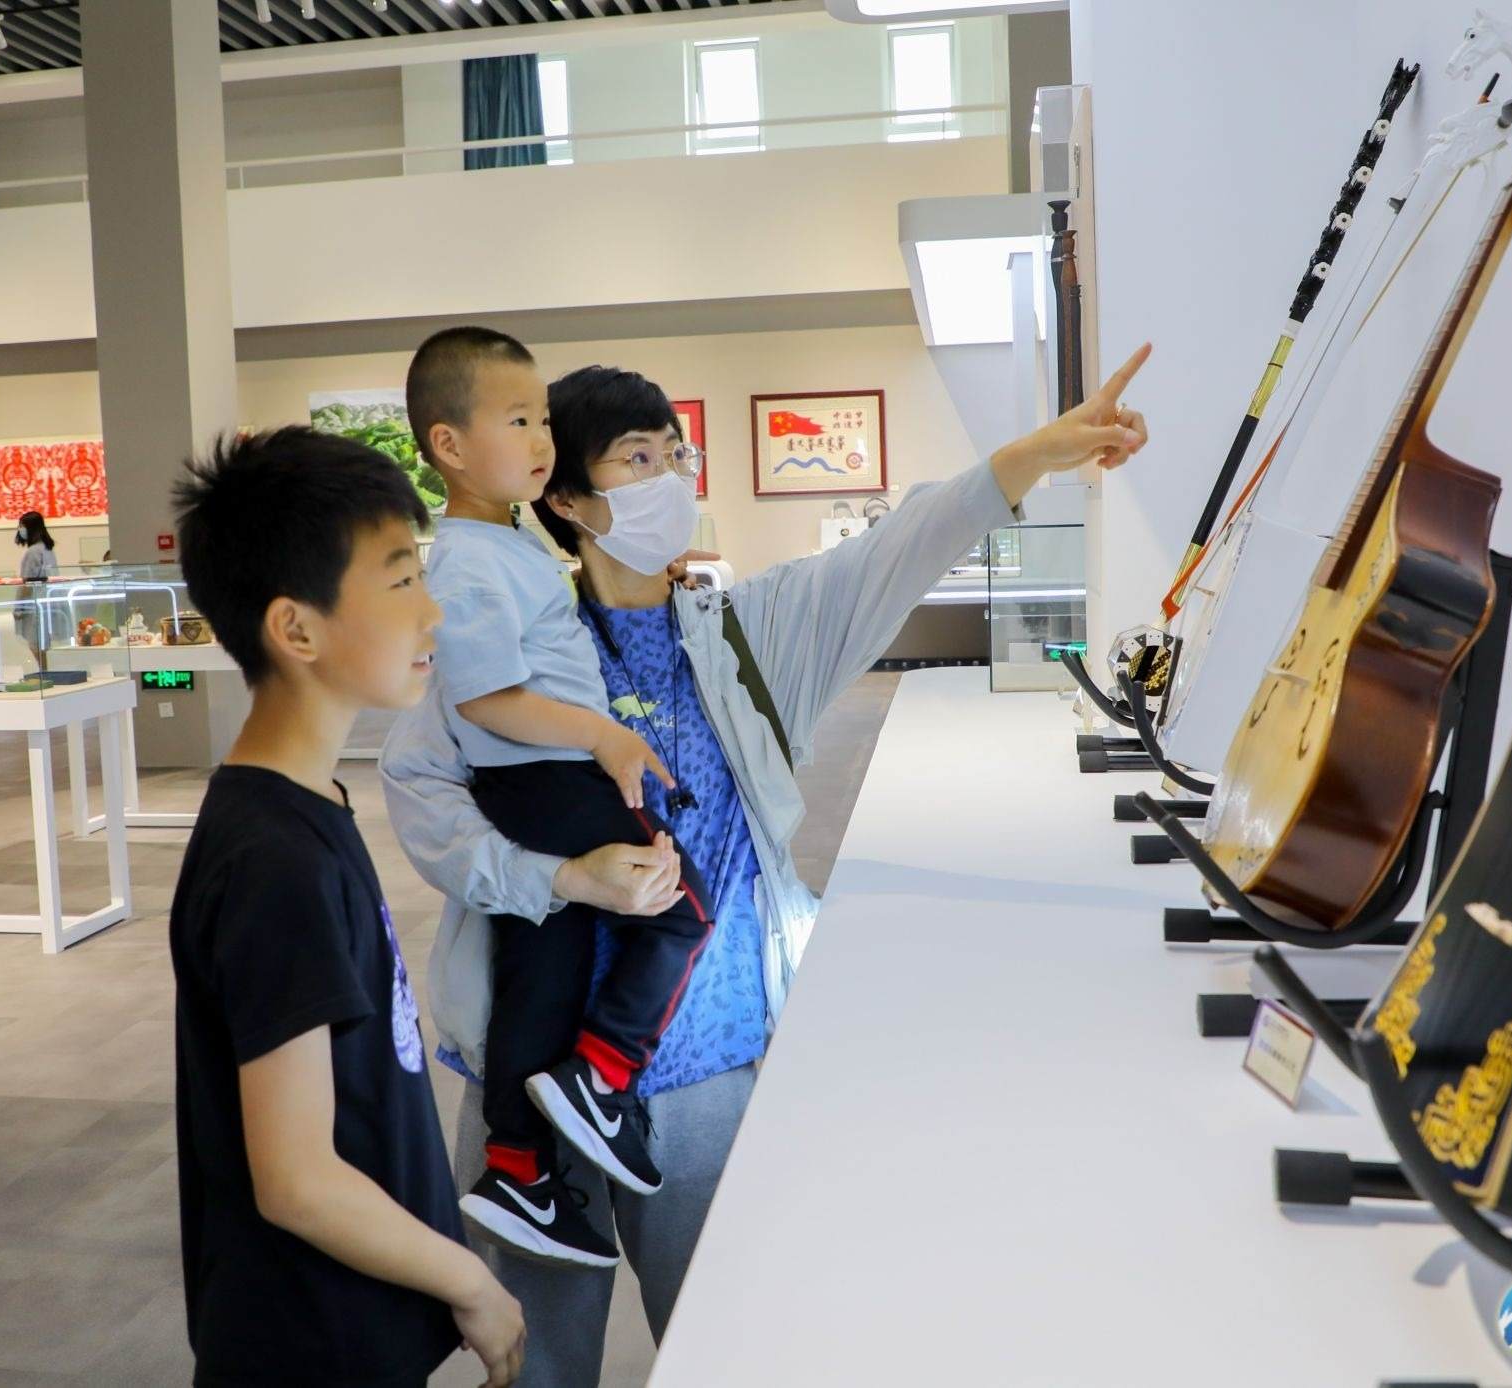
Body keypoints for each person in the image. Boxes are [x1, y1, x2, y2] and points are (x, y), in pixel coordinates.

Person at [382, 347, 1150, 1384]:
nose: (669, 479)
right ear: (564, 494)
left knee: (726, 1348)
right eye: (636, 458)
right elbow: (422, 800)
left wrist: (1036, 454)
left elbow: (895, 548)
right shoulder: (507, 643)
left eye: (676, 455)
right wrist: (556, 878)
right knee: (537, 1366)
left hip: (709, 1066)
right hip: (530, 1072)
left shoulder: (748, 634)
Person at [167, 428, 526, 1388]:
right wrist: (472, 1283)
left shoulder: (305, 805)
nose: (432, 613)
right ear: (297, 630)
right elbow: (296, 1180)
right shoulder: (274, 861)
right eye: (401, 581)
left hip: (349, 1323)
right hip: (310, 1344)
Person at [405, 327, 714, 1270]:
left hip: (536, 779)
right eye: (517, 421)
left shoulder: (500, 548)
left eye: (543, 420)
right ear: (449, 445)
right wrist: (600, 734)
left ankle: (517, 1167)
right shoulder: (470, 560)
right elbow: (485, 697)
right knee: (681, 908)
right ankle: (603, 1077)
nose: (538, 440)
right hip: (541, 776)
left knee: (543, 966)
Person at [14, 511, 58, 581]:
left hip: (36, 588)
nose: (19, 529)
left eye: (22, 526)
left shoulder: (33, 551)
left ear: (31, 528)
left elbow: (27, 580)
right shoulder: (46, 547)